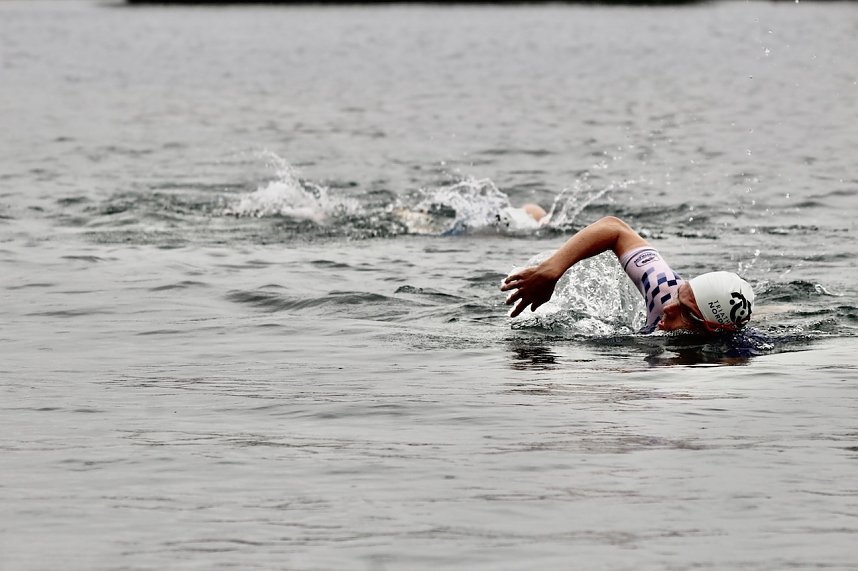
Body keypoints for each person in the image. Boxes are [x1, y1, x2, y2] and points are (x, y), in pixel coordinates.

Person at [500, 216, 754, 334]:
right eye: (679, 295)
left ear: (711, 328)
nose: (668, 308)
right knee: (533, 212)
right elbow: (614, 228)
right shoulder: (665, 291)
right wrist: (552, 269)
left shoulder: (730, 359)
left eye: (685, 311)